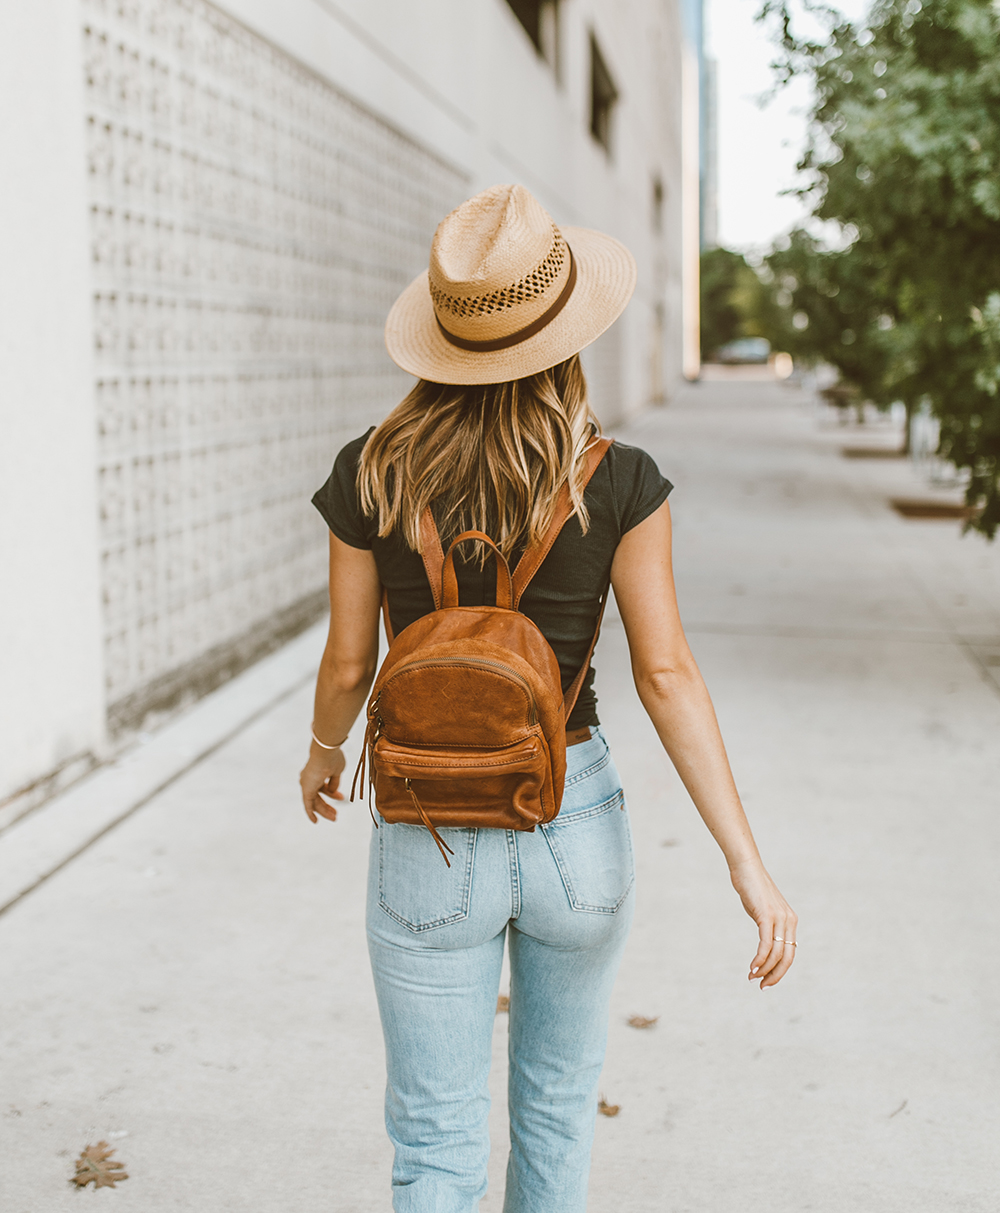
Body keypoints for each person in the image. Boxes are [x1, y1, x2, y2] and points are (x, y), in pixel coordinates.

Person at [300, 184, 797, 1213]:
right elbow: (666, 675)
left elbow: (350, 662)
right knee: (558, 1114)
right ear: (568, 336)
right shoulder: (618, 481)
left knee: (435, 1142)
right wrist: (745, 862)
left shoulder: (372, 472)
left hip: (426, 826)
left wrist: (321, 752)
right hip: (574, 823)